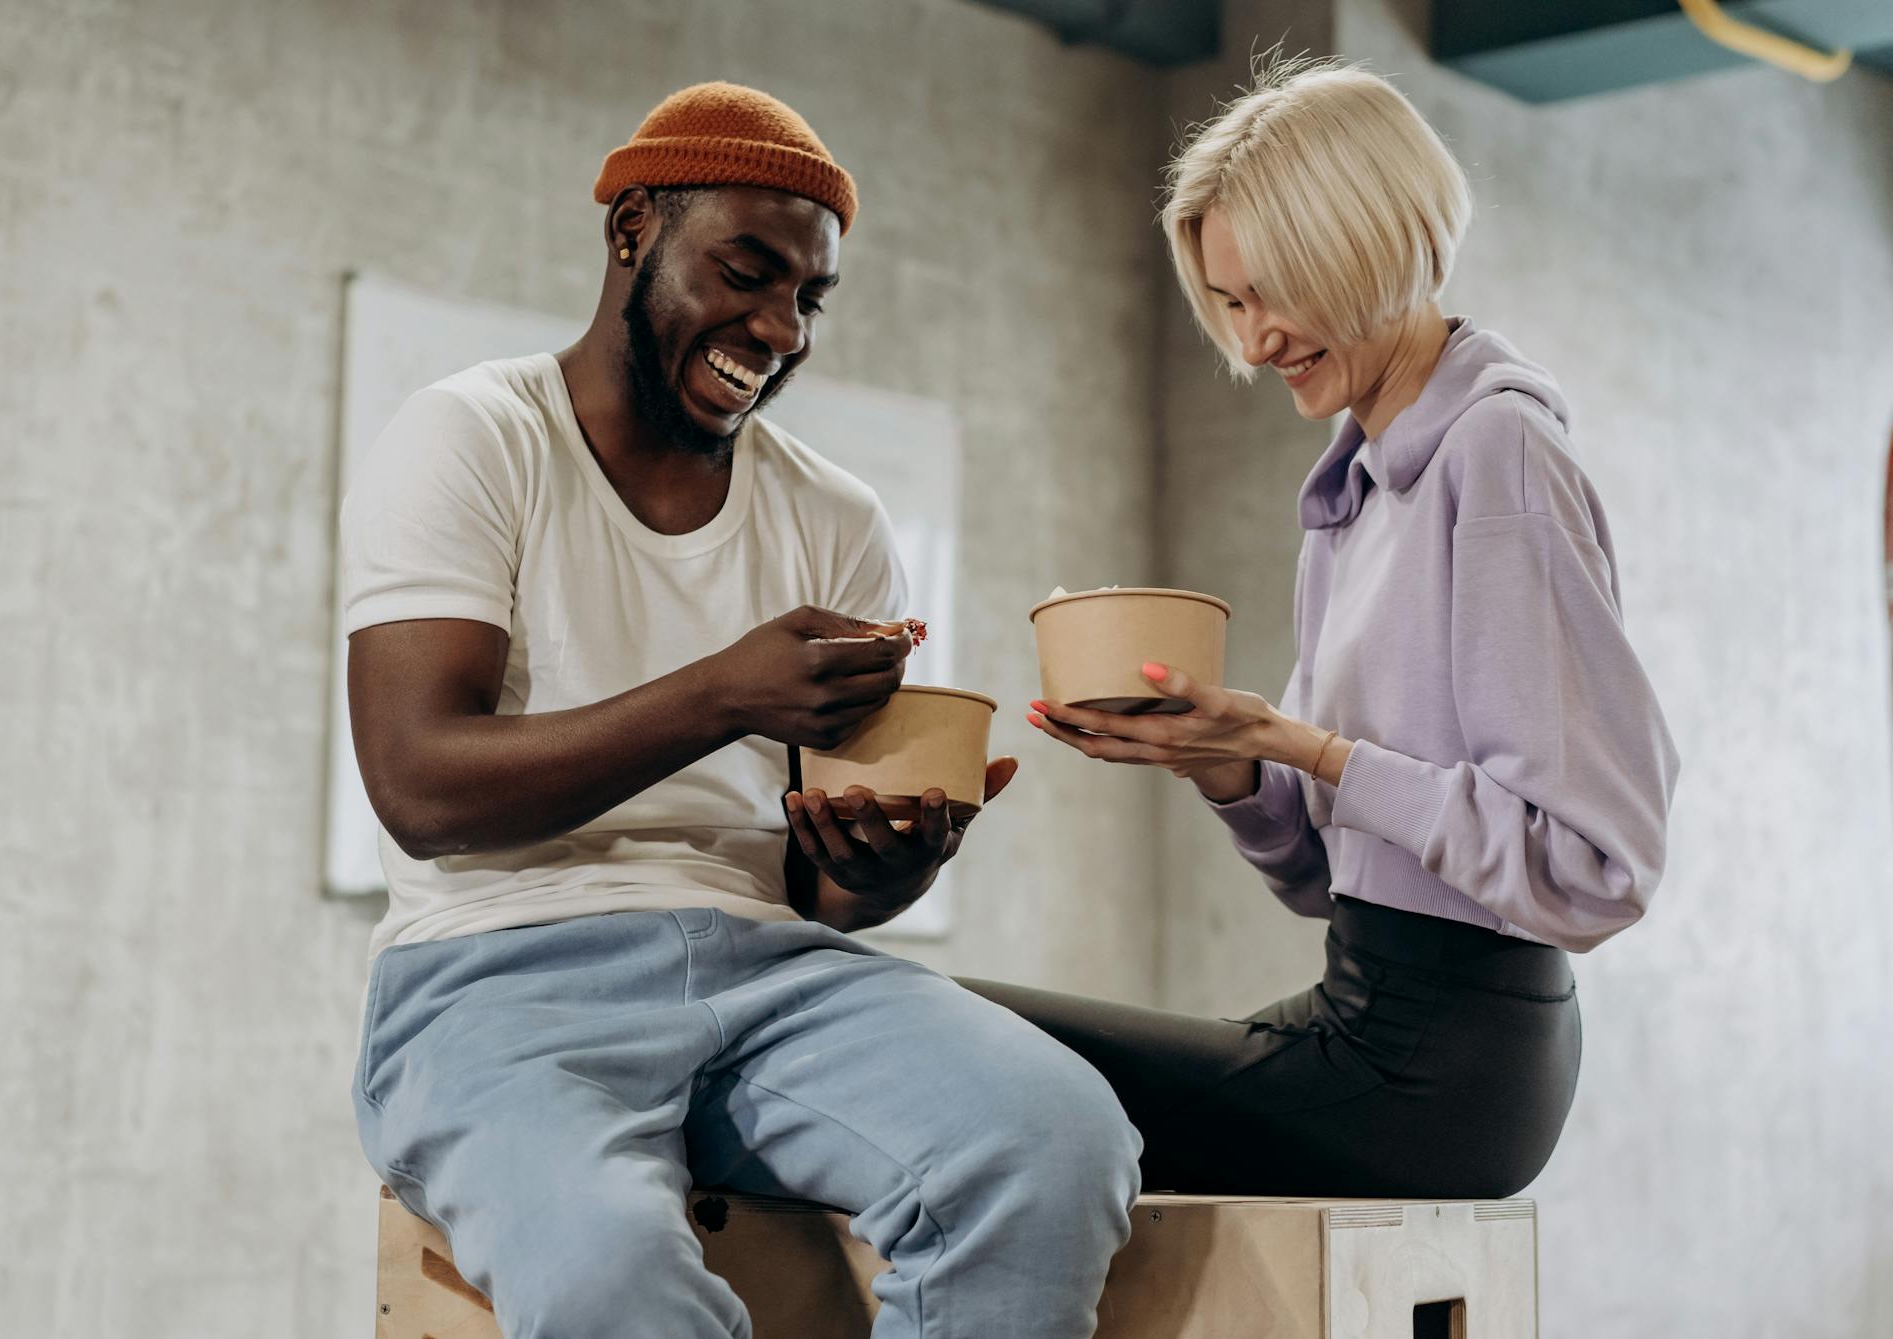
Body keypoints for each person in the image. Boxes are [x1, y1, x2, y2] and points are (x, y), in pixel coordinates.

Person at [340, 83, 1139, 1339]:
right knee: (608, 1273)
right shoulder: (473, 438)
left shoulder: (835, 520)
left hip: (774, 972)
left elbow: (822, 896)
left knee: (1052, 1135)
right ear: (630, 235)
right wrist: (721, 693)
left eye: (807, 297)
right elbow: (418, 786)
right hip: (496, 977)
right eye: (746, 272)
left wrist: (882, 865)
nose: (778, 327)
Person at [983, 60, 1680, 1198]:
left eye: (1270, 294)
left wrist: (1307, 748)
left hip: (1449, 1065)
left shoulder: (1496, 454)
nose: (1251, 342)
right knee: (945, 1047)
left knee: (961, 1042)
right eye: (1228, 303)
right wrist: (1226, 765)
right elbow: (1321, 875)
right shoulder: (1348, 499)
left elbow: (1595, 867)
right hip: (1367, 1021)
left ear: (1365, 246)